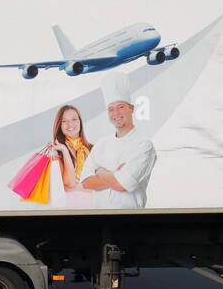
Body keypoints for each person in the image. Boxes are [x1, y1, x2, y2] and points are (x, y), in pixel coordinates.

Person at [79, 74, 156, 209]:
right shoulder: (101, 143)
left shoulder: (144, 145)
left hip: (129, 219)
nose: (116, 113)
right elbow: (86, 182)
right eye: (111, 109)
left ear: (131, 109)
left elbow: (123, 185)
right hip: (99, 217)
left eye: (120, 107)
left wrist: (101, 172)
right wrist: (116, 176)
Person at [44, 104, 91, 192]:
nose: (70, 124)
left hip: (95, 204)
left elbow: (101, 182)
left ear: (80, 122)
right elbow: (70, 184)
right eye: (64, 121)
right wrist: (65, 151)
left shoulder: (91, 149)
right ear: (59, 125)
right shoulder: (56, 151)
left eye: (74, 119)